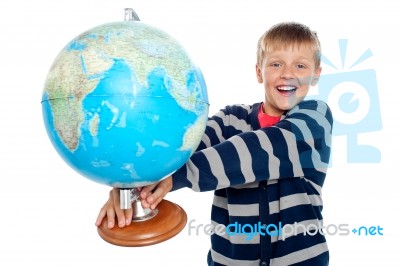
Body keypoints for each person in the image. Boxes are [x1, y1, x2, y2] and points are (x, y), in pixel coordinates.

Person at [96, 21, 333, 266]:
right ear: (259, 71)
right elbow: (178, 151)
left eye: (300, 65)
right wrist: (131, 185)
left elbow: (265, 148)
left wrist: (178, 176)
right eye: (276, 64)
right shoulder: (230, 119)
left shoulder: (316, 116)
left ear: (316, 74)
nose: (287, 73)